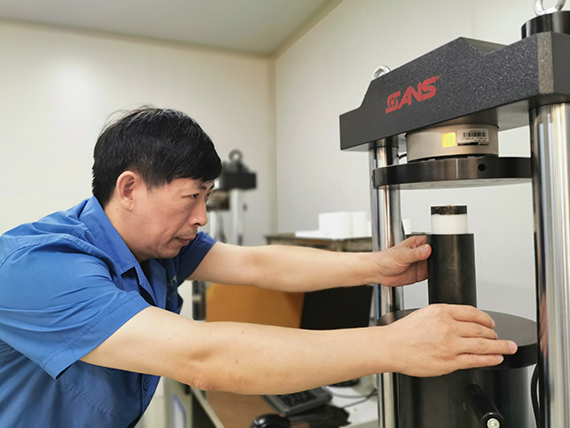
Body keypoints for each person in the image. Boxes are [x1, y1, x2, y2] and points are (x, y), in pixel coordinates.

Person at [0, 107, 517, 428]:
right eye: (191, 197)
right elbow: (201, 357)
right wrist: (394, 346)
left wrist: (376, 267)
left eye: (207, 198)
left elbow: (254, 263)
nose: (201, 217)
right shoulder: (41, 268)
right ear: (130, 188)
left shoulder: (153, 245)